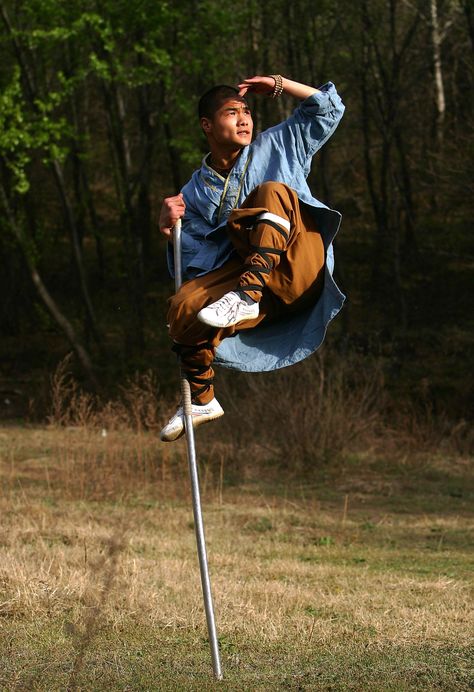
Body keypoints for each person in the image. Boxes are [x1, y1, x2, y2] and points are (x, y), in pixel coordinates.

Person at [159, 75, 345, 442]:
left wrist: (279, 84)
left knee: (272, 192)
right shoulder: (194, 191)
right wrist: (168, 230)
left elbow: (328, 109)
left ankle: (246, 296)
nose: (245, 118)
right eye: (232, 112)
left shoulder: (278, 143)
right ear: (207, 125)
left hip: (298, 265)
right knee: (181, 306)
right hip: (258, 287)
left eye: (247, 111)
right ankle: (201, 398)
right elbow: (196, 261)